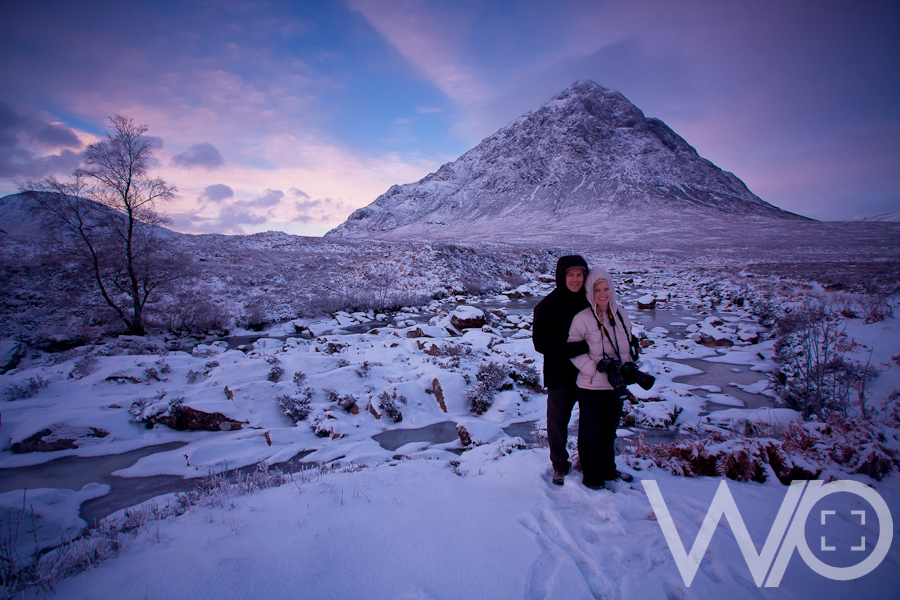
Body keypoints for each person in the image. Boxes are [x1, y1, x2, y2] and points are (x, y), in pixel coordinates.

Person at [568, 267, 637, 490]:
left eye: (606, 288)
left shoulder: (621, 314)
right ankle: (592, 477)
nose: (603, 294)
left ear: (612, 289)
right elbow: (574, 352)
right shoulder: (582, 318)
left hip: (615, 385)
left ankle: (608, 469)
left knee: (609, 430)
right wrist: (595, 369)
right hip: (591, 386)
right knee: (590, 432)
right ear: (590, 291)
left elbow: (626, 346)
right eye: (597, 290)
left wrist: (628, 367)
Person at [532, 255, 590, 486]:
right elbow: (541, 343)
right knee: (557, 423)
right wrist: (576, 349)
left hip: (591, 374)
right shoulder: (546, 306)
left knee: (591, 422)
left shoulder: (591, 301)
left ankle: (591, 464)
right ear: (560, 276)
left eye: (580, 274)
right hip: (560, 375)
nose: (575, 280)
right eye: (570, 275)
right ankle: (559, 465)